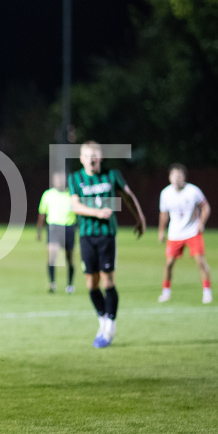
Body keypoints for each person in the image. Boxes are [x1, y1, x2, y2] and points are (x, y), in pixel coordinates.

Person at [68, 141, 147, 348]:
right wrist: (97, 212)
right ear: (81, 159)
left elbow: (128, 196)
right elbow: (75, 206)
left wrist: (139, 217)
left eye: (95, 156)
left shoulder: (112, 175)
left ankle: (110, 326)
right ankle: (103, 319)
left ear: (101, 157)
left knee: (107, 282)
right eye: (87, 156)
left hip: (107, 235)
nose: (91, 160)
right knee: (91, 284)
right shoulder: (75, 178)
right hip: (86, 235)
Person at [158, 164, 212, 303]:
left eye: (180, 175)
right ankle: (166, 291)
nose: (177, 178)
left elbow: (205, 207)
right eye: (174, 175)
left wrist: (201, 223)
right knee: (169, 263)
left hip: (192, 231)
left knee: (200, 261)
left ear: (184, 177)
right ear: (169, 177)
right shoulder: (165, 193)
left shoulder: (193, 191)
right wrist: (161, 231)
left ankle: (207, 292)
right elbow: (164, 213)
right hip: (175, 233)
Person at [36, 170, 77, 294]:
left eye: (62, 179)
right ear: (53, 181)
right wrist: (39, 231)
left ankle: (70, 285)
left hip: (69, 227)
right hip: (54, 228)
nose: (60, 181)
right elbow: (42, 213)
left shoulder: (72, 195)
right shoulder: (48, 194)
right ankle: (52, 283)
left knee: (69, 258)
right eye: (57, 179)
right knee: (52, 256)